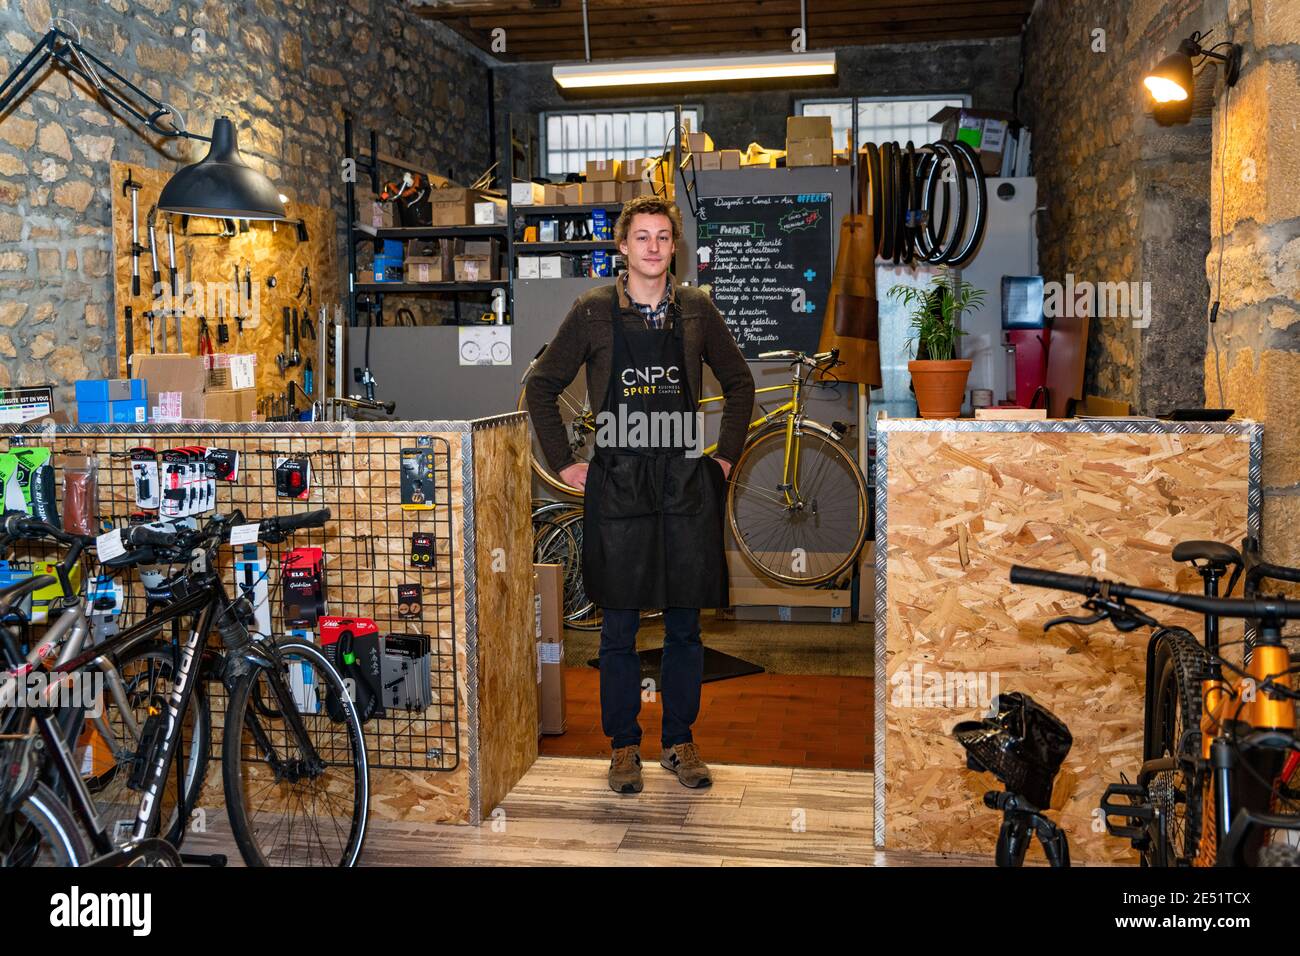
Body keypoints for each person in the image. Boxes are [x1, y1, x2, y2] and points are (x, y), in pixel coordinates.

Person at [525, 193, 755, 794]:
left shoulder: (698, 310)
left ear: (673, 247)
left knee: (685, 626)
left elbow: (739, 382)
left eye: (662, 237)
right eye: (641, 237)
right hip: (620, 485)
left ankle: (679, 742)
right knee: (619, 627)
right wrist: (566, 464)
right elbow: (542, 385)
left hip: (683, 484)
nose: (652, 247)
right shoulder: (594, 311)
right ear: (622, 247)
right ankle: (624, 747)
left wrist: (725, 456)